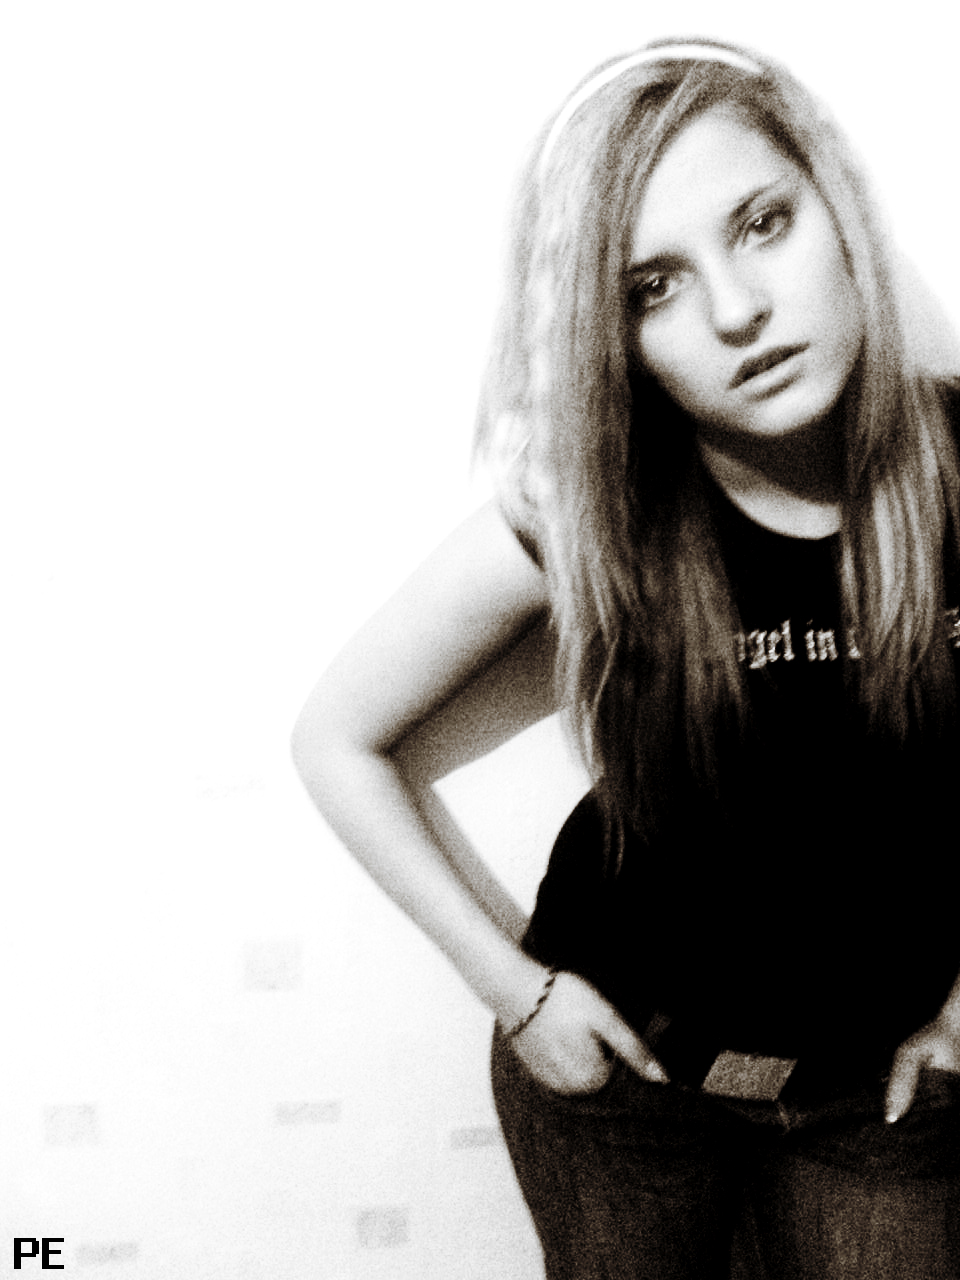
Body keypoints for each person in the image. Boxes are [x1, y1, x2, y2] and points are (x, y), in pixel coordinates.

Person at [292, 36, 960, 1279]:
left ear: (838, 206)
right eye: (653, 285)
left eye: (763, 223)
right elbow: (337, 739)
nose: (737, 310)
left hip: (879, 1108)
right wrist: (520, 994)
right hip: (622, 1093)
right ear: (617, 332)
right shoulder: (590, 511)